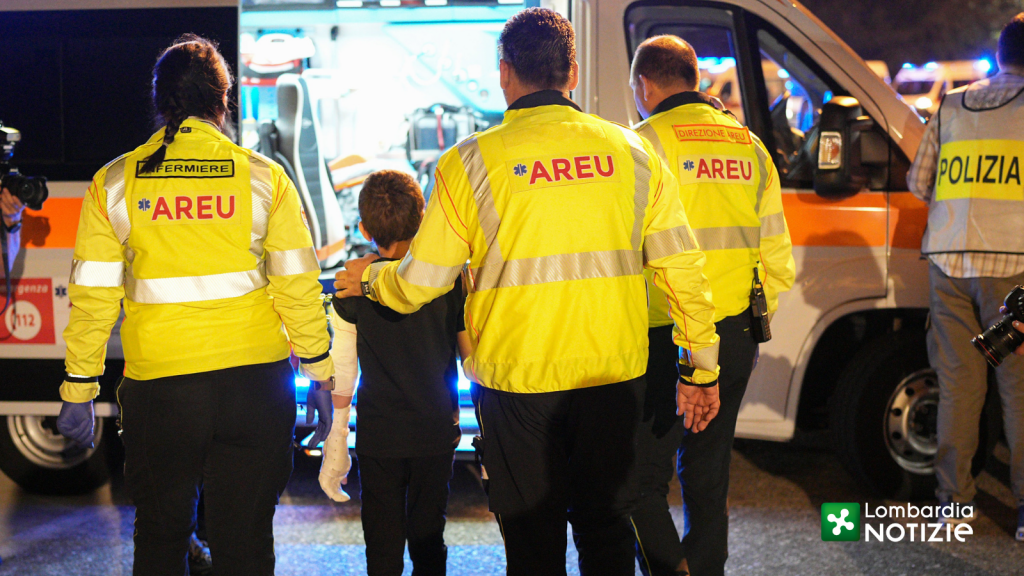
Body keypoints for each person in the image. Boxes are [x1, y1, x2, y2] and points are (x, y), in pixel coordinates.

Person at [335, 9, 722, 575]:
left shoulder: (469, 162)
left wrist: (368, 277)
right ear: (572, 72)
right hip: (611, 381)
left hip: (518, 389)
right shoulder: (635, 154)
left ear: (503, 72)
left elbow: (420, 284)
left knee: (533, 544)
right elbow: (683, 269)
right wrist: (702, 368)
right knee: (607, 532)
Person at [54, 35, 335, 575]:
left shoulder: (114, 183)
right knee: (246, 542)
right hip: (254, 388)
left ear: (161, 101)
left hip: (160, 391)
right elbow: (298, 287)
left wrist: (79, 389)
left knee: (160, 539)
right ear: (221, 101)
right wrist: (322, 375)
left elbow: (93, 301)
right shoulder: (263, 179)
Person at [628, 36, 796, 576]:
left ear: (644, 86)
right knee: (708, 472)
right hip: (738, 331)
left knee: (640, 478)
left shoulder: (642, 143)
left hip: (663, 332)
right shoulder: (749, 145)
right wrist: (740, 320)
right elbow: (778, 258)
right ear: (694, 79)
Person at [908, 13, 1024, 539]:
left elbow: (919, 182)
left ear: (999, 55)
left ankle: (954, 504)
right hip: (1014, 271)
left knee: (958, 388)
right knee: (1018, 391)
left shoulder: (952, 104)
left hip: (948, 263)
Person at [319, 169, 465, 575]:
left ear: (364, 228)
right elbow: (469, 351)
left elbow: (344, 372)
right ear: (421, 222)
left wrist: (336, 444)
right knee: (428, 540)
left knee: (381, 548)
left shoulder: (351, 286)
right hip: (435, 430)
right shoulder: (447, 281)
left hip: (379, 434)